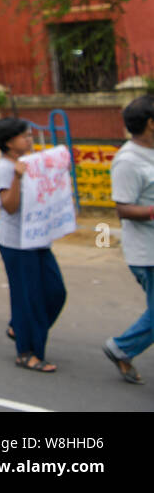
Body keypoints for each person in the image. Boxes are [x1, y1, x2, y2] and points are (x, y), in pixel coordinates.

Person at [0, 116, 65, 372]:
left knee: (56, 292)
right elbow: (9, 207)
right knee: (27, 298)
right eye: (25, 136)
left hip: (38, 238)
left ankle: (18, 327)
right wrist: (17, 179)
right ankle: (27, 352)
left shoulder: (30, 162)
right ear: (10, 142)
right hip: (16, 244)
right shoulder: (5, 168)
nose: (30, 139)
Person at [103, 95, 154, 384]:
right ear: (150, 124)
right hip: (147, 253)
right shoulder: (128, 161)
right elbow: (123, 208)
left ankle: (123, 347)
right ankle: (122, 347)